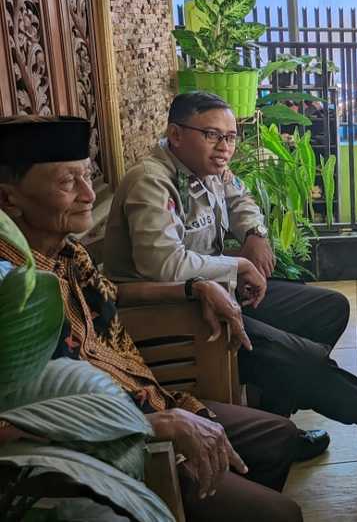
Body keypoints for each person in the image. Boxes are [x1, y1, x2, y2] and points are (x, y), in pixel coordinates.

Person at [103, 92, 357, 458]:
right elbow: (163, 265)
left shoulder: (209, 169)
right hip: (177, 314)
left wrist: (254, 233)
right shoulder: (151, 181)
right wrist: (238, 266)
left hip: (220, 294)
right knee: (302, 361)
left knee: (329, 309)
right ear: (175, 134)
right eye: (212, 135)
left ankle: (272, 429)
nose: (224, 147)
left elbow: (240, 200)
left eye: (231, 137)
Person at [0, 115, 302, 522]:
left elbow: (112, 293)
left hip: (149, 395)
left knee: (279, 436)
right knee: (280, 513)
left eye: (87, 175)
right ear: (9, 199)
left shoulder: (69, 254)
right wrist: (150, 425)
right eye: (68, 182)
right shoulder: (10, 290)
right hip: (106, 450)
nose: (88, 194)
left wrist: (194, 288)